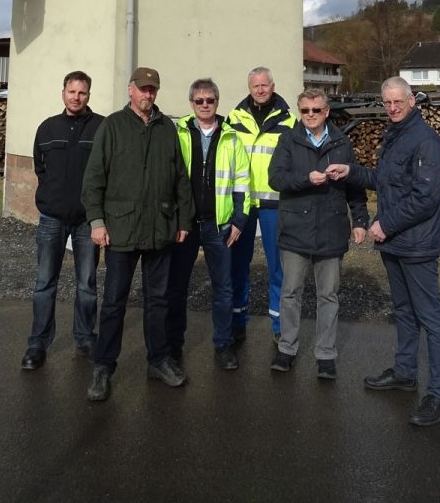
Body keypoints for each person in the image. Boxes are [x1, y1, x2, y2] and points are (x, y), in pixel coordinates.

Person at [326, 76, 440, 426]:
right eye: (387, 103)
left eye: (399, 101)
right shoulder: (394, 136)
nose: (393, 108)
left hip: (416, 245)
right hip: (394, 244)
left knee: (431, 318)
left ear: (412, 100)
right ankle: (405, 372)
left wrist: (385, 224)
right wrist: (350, 171)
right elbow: (381, 180)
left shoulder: (426, 141)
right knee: (403, 311)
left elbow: (425, 199)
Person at [82, 67, 194, 403]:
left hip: (160, 228)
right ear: (131, 90)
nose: (148, 95)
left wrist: (183, 219)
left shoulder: (166, 129)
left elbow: (180, 179)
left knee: (158, 301)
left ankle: (158, 360)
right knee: (114, 303)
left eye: (153, 90)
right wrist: (97, 221)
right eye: (143, 89)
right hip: (120, 229)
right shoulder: (113, 126)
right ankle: (103, 366)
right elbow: (93, 179)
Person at [267, 88, 368, 379]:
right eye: (305, 110)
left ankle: (325, 354)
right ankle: (286, 349)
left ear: (326, 112)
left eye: (316, 110)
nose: (310, 115)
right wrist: (305, 179)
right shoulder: (289, 139)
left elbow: (355, 185)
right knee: (290, 293)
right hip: (296, 229)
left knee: (328, 296)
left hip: (331, 229)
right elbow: (275, 178)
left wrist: (360, 220)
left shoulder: (341, 142)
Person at [21, 70, 104, 371]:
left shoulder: (101, 128)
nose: (76, 97)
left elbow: (105, 171)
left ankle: (85, 337)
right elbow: (40, 169)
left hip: (86, 220)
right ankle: (37, 344)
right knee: (44, 283)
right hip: (52, 219)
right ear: (63, 93)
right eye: (71, 91)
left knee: (87, 283)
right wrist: (53, 197)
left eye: (82, 93)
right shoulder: (47, 128)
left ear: (88, 96)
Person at [166, 78, 250, 371]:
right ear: (191, 103)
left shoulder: (232, 136)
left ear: (217, 101)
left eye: (210, 100)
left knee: (224, 288)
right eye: (199, 101)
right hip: (185, 225)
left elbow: (242, 181)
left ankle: (223, 344)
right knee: (176, 287)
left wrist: (239, 219)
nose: (204, 105)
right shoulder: (178, 133)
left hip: (219, 225)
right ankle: (173, 346)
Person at [228, 67, 296, 342]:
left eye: (264, 85)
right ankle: (237, 321)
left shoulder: (289, 120)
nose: (260, 90)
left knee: (277, 267)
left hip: (273, 203)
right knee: (238, 264)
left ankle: (279, 327)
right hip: (243, 203)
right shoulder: (234, 118)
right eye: (255, 86)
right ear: (249, 87)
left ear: (272, 85)